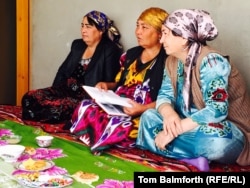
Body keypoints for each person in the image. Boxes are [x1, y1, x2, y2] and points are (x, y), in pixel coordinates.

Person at [136, 9, 250, 171]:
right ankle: (193, 159)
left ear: (183, 38)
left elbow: (217, 110)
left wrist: (174, 131)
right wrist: (169, 114)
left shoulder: (212, 61)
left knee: (217, 143)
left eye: (165, 34)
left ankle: (174, 150)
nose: (161, 40)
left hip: (226, 130)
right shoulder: (171, 61)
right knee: (148, 117)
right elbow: (164, 94)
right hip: (186, 124)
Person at [68, 7, 168, 154]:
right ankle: (101, 139)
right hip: (120, 103)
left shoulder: (168, 61)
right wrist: (106, 85)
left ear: (160, 33)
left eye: (144, 27)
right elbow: (119, 83)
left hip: (142, 110)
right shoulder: (131, 54)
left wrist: (141, 108)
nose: (138, 32)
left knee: (121, 126)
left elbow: (170, 99)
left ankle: (102, 139)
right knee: (85, 107)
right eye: (137, 25)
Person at [21, 10, 123, 123]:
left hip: (83, 96)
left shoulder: (110, 50)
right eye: (82, 26)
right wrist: (54, 91)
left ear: (100, 31)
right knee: (29, 97)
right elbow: (63, 71)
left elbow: (112, 82)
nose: (83, 30)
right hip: (65, 89)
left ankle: (38, 115)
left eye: (88, 27)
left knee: (57, 109)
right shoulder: (78, 45)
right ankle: (44, 115)